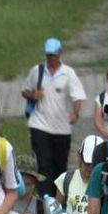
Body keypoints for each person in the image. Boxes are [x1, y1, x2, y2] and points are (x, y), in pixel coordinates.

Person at [21, 37, 86, 185]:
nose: (50, 58)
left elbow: (77, 97)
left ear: (60, 54)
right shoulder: (37, 71)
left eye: (53, 55)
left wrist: (75, 113)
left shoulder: (68, 73)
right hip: (39, 124)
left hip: (61, 128)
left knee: (59, 167)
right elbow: (25, 91)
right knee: (43, 165)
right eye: (48, 55)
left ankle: (58, 199)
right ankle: (45, 199)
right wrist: (33, 95)